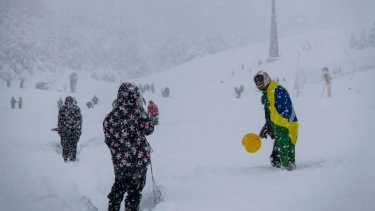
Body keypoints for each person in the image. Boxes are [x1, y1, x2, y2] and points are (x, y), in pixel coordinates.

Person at [103, 82, 156, 211]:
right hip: (139, 161)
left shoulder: (110, 117)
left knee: (119, 186)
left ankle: (113, 208)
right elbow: (149, 128)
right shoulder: (139, 113)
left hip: (120, 162)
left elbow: (108, 138)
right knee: (134, 192)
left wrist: (119, 150)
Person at [254, 71, 299, 170]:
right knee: (276, 157)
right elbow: (269, 112)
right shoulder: (267, 93)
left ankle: (288, 168)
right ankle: (282, 163)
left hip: (287, 124)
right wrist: (268, 126)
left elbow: (286, 109)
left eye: (261, 83)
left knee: (286, 149)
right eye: (258, 85)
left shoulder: (277, 90)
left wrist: (281, 127)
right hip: (277, 124)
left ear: (266, 79)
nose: (260, 86)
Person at [57, 96, 82, 162]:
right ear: (65, 102)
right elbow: (60, 121)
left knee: (73, 147)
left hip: (74, 132)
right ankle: (65, 161)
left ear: (72, 102)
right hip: (64, 133)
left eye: (70, 102)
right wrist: (60, 131)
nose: (68, 104)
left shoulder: (76, 109)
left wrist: (78, 131)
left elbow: (79, 121)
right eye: (67, 102)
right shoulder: (62, 109)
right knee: (65, 147)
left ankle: (72, 161)